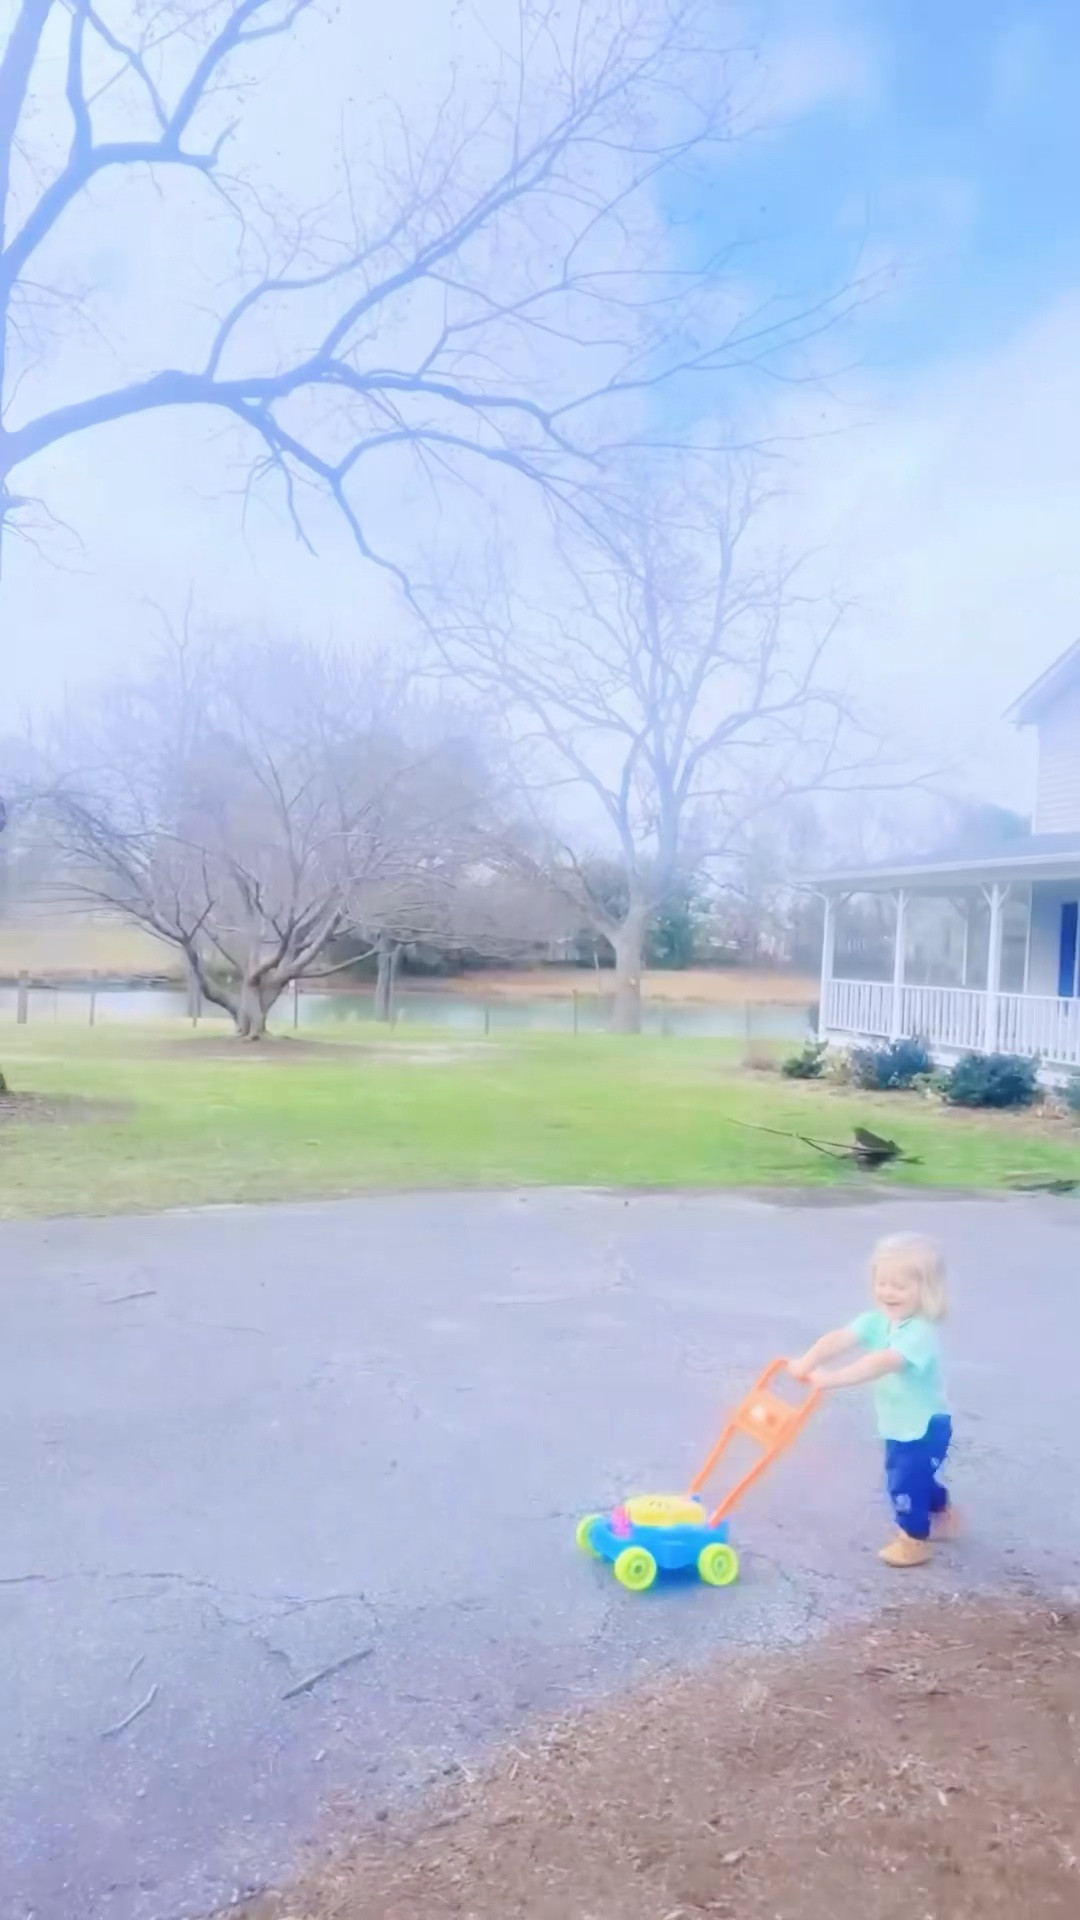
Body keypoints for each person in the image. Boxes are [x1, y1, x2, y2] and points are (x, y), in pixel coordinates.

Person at [789, 1233, 953, 1568]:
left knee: (903, 1480)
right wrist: (807, 1362)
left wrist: (832, 1379)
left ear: (926, 1291)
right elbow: (840, 1338)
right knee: (916, 1475)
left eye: (900, 1286)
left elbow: (882, 1362)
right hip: (898, 1423)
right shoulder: (876, 1321)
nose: (888, 1292)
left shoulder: (919, 1333)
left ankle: (913, 1541)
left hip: (924, 1427)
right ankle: (942, 1509)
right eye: (882, 1283)